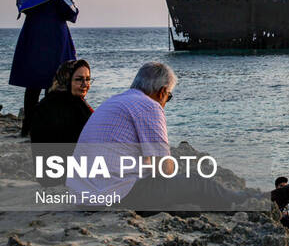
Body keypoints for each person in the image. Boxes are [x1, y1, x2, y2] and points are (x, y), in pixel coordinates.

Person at [68, 62, 252, 210]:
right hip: (114, 196)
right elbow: (165, 169)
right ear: (162, 91)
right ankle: (241, 201)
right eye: (168, 97)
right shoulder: (149, 105)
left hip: (81, 196)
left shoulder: (113, 102)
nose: (165, 102)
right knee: (198, 182)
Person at [9, 0, 78, 137]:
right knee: (53, 82)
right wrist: (75, 11)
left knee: (32, 85)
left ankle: (27, 127)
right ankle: (48, 127)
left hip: (32, 35)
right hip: (54, 36)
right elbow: (69, 11)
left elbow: (23, 5)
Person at [30, 59, 94, 186]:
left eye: (87, 79)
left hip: (48, 175)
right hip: (63, 176)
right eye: (79, 79)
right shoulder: (72, 107)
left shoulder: (49, 102)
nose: (85, 84)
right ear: (66, 79)